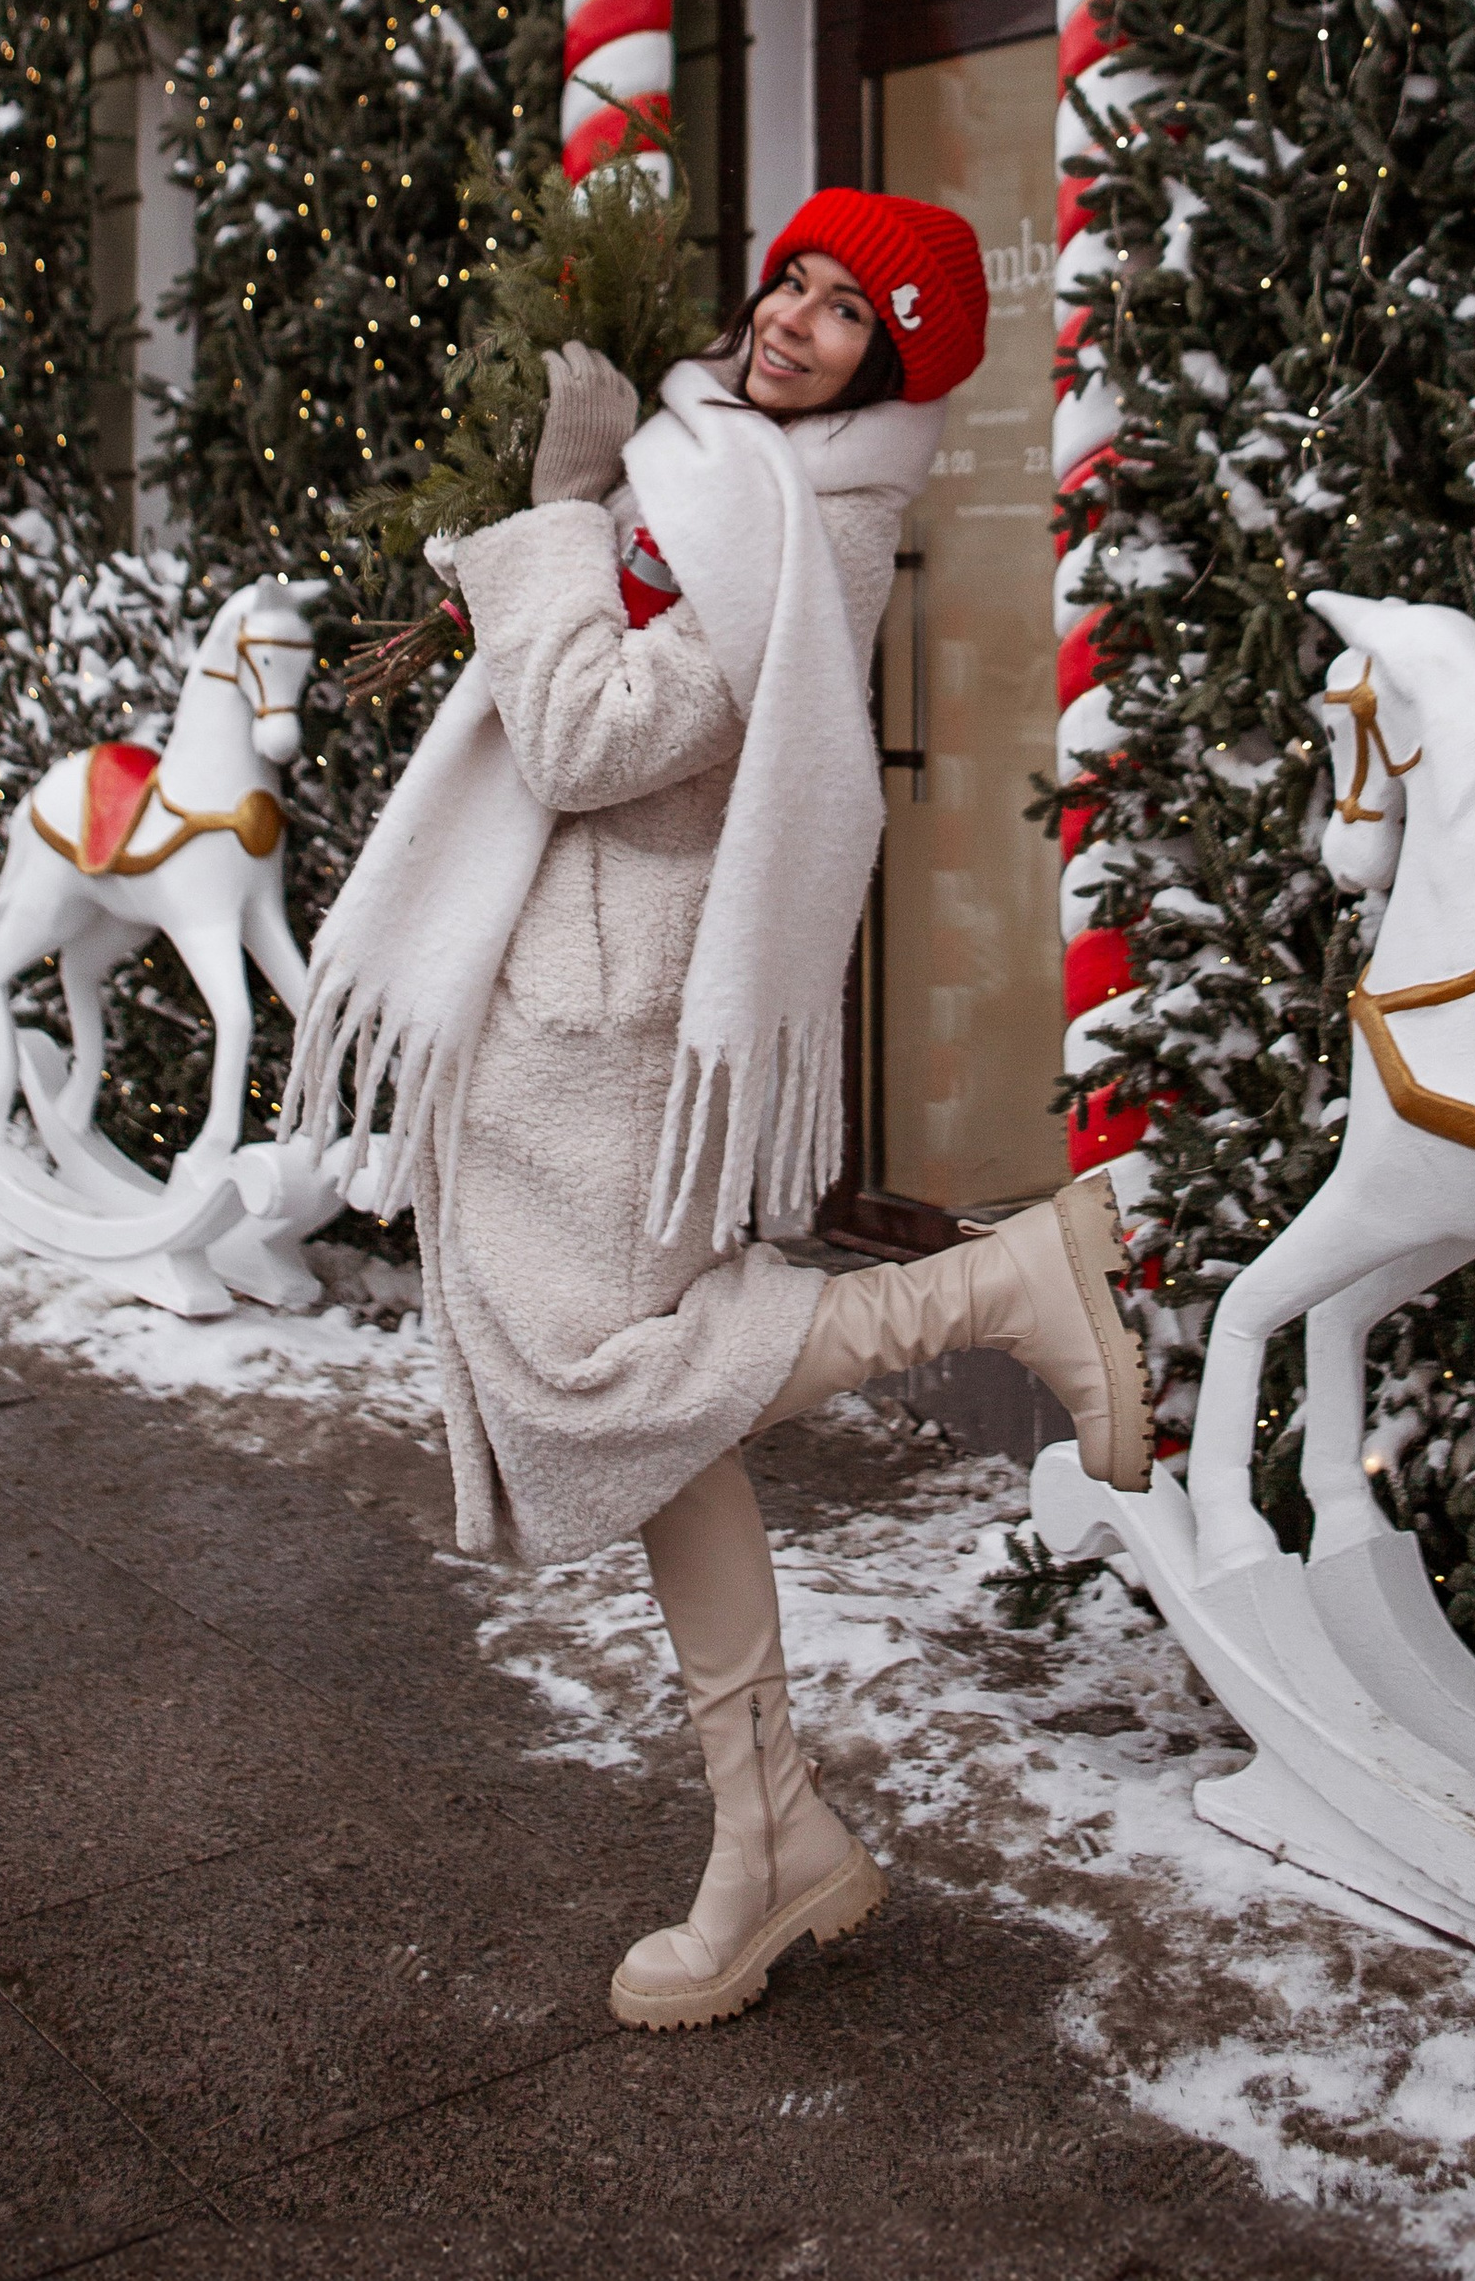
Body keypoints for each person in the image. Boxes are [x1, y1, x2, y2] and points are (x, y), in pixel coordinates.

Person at [290, 186, 1152, 2035]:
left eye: (852, 314)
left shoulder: (809, 528)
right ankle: (770, 1835)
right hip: (565, 991)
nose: (798, 319)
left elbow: (596, 734)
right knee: (662, 1424)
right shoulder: (716, 461)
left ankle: (991, 1293)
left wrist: (544, 526)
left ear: (892, 367)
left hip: (617, 1022)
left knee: (605, 1376)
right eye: (797, 280)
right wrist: (580, 509)